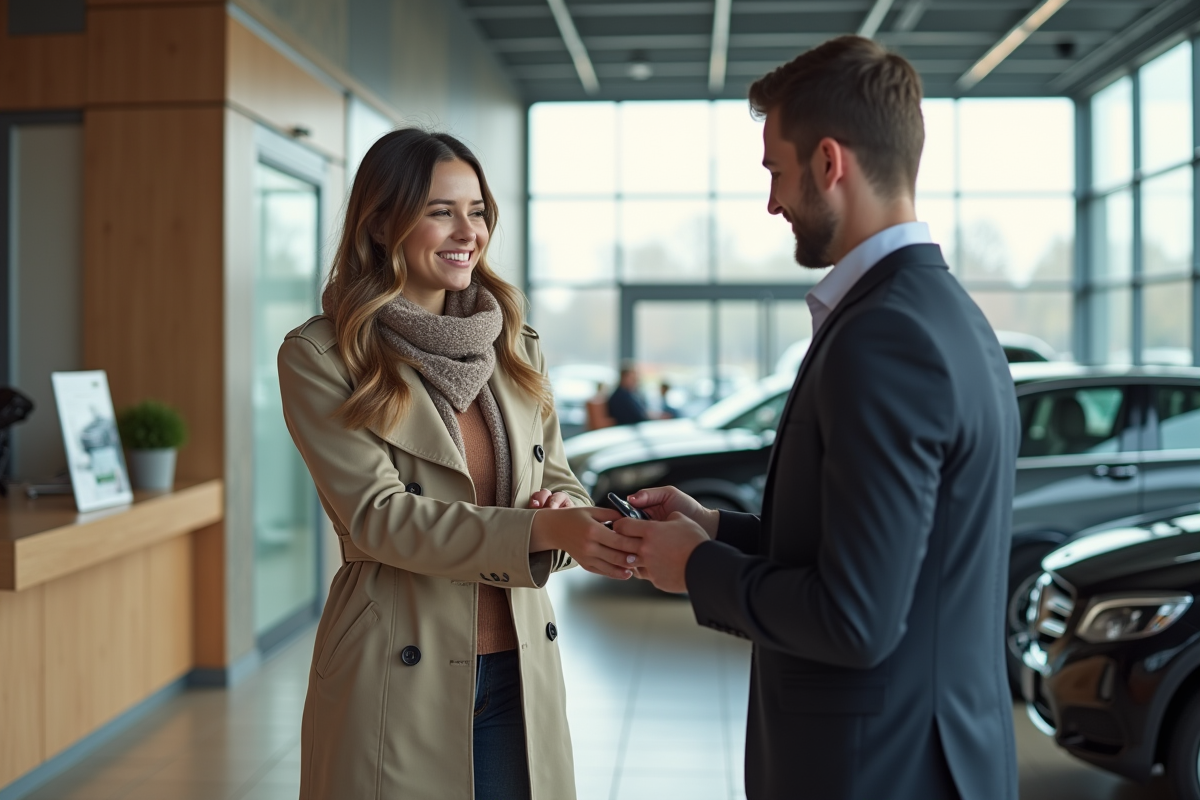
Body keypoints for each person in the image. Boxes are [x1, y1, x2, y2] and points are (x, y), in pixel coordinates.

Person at [612, 36, 1020, 800]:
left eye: (776, 171)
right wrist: (715, 529)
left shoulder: (884, 336)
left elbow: (855, 618)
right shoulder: (948, 316)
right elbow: (887, 559)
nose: (772, 202)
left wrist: (695, 568)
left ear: (829, 163)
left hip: (877, 770)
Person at [276, 129, 629, 800]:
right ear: (380, 222)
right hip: (396, 664)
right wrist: (539, 531)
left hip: (518, 666)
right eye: (441, 211)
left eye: (478, 211)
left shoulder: (515, 344)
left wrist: (565, 513)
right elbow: (380, 518)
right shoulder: (323, 356)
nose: (469, 232)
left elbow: (560, 480)